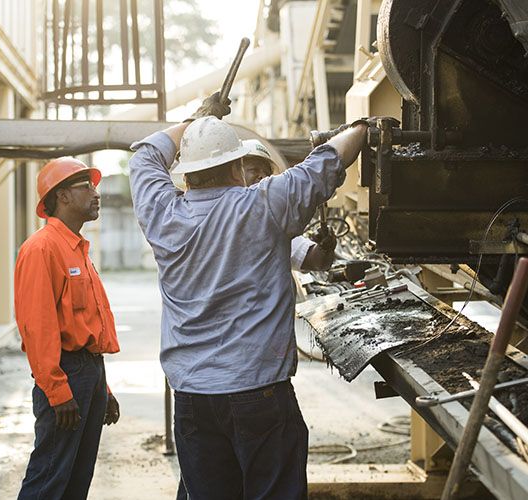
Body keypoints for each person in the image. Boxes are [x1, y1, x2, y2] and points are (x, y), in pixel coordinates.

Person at [129, 92, 368, 499]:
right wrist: (364, 128)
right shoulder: (263, 204)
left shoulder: (162, 213)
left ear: (186, 174)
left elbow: (144, 157)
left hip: (192, 396)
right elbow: (327, 162)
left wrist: (193, 122)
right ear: (238, 167)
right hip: (258, 391)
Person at [15, 157, 121, 499]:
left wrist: (102, 389)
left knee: (76, 479)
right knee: (49, 478)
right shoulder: (41, 249)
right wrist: (58, 392)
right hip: (64, 374)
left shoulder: (77, 251)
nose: (96, 193)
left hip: (87, 372)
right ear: (61, 196)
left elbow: (85, 325)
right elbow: (38, 328)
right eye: (85, 187)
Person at [242, 138, 337, 271]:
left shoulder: (273, 218)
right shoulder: (223, 217)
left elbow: (316, 262)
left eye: (267, 173)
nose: (262, 176)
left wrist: (324, 248)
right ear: (236, 172)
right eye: (254, 170)